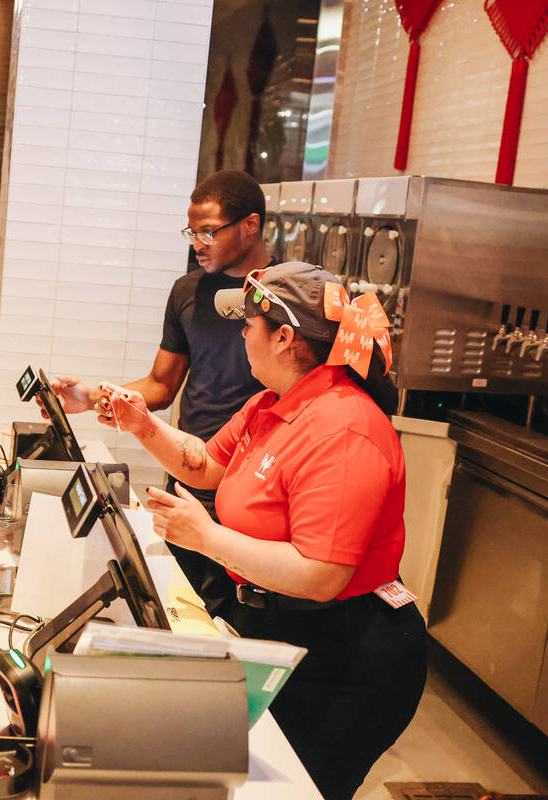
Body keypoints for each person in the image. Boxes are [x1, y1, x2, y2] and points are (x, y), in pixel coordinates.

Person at [100, 261, 426, 800]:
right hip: (278, 624)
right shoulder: (269, 405)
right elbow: (205, 463)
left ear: (284, 338)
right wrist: (142, 425)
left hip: (346, 656)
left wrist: (204, 536)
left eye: (248, 324)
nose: (240, 333)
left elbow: (321, 575)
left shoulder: (345, 429)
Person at [50, 170, 274, 615]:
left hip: (252, 488)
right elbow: (162, 385)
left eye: (209, 231)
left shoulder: (287, 294)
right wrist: (91, 396)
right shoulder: (187, 292)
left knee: (236, 621)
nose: (198, 243)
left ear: (250, 224)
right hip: (188, 472)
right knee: (181, 610)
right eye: (193, 231)